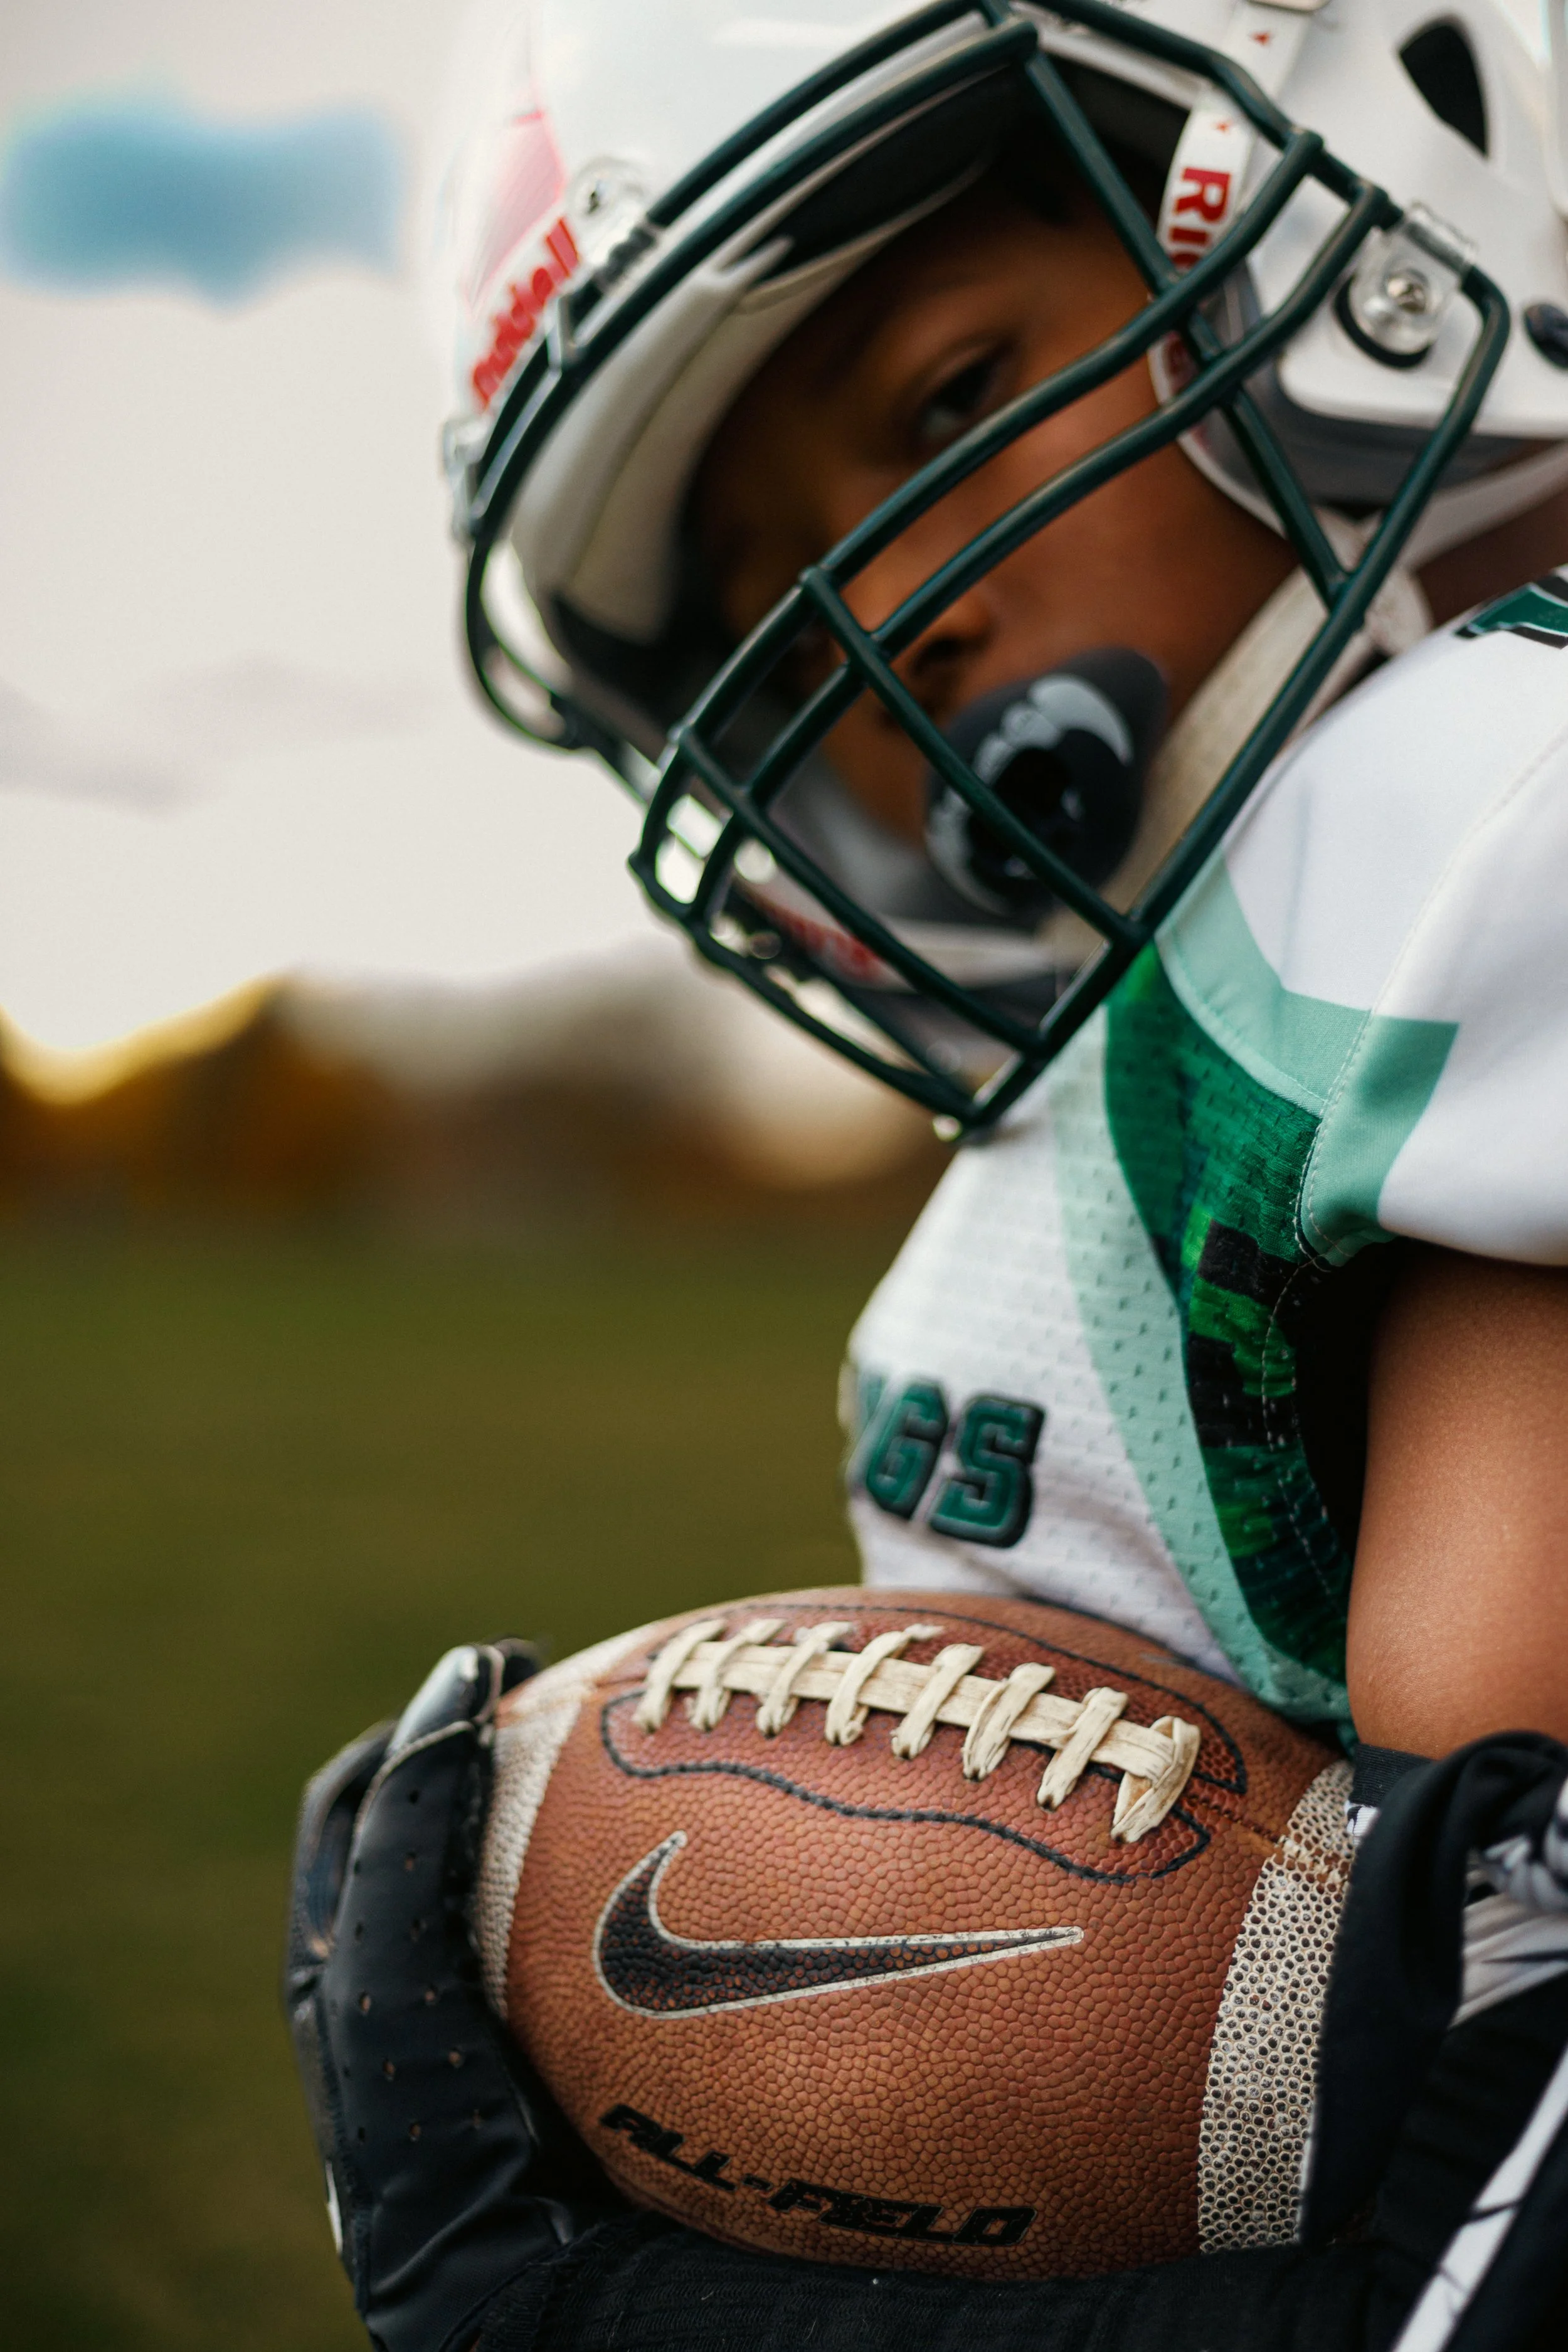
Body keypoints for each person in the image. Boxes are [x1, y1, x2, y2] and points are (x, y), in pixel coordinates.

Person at [289, 4, 1568, 2345]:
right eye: (784, 578)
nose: (881, 610)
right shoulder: (1206, 966)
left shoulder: (1471, 814)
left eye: (950, 403)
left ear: (1355, 174)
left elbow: (1492, 2000)